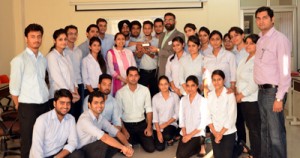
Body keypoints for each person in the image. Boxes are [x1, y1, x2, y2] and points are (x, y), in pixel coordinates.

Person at [254, 6, 291, 158]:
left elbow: (285, 70)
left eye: (264, 18)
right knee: (265, 132)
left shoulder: (280, 40)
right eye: (258, 18)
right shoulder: (260, 40)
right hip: (262, 91)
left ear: (272, 19)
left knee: (276, 134)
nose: (261, 21)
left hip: (273, 92)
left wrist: (279, 97)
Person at [9, 23, 50, 158]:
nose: (36, 39)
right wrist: (18, 106)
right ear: (26, 38)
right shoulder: (19, 60)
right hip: (28, 106)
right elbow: (14, 88)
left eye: (39, 36)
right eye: (32, 36)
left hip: (44, 104)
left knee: (43, 140)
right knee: (28, 141)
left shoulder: (43, 59)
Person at [77, 91, 134, 158]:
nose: (99, 105)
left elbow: (116, 132)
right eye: (96, 103)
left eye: (101, 102)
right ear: (89, 105)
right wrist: (123, 148)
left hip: (94, 146)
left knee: (117, 139)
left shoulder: (100, 117)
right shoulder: (85, 119)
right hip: (82, 149)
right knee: (104, 142)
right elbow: (104, 137)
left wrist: (128, 146)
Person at [30, 89, 82, 158]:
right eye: (62, 103)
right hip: (43, 156)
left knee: (78, 155)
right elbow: (37, 150)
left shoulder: (71, 119)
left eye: (68, 103)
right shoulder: (42, 120)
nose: (65, 106)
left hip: (59, 154)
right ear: (54, 103)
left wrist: (57, 157)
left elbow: (73, 142)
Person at [116, 66, 155, 153]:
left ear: (139, 77)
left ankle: (138, 138)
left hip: (141, 124)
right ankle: (136, 139)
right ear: (127, 77)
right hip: (127, 126)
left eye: (136, 75)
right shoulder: (120, 93)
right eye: (131, 75)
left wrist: (149, 127)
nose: (133, 78)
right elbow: (118, 114)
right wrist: (123, 130)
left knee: (151, 148)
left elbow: (149, 110)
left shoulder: (145, 90)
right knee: (125, 151)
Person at [236, 34, 261, 158]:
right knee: (250, 128)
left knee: (254, 130)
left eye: (252, 43)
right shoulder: (243, 60)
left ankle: (256, 155)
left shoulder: (258, 60)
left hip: (252, 100)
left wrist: (241, 94)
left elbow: (254, 83)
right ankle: (254, 152)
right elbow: (238, 79)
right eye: (247, 43)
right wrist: (237, 93)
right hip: (243, 100)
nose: (248, 45)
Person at [47, 29, 80, 111]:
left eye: (65, 39)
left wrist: (76, 91)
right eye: (60, 39)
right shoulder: (51, 56)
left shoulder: (66, 56)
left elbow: (72, 75)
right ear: (54, 41)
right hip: (58, 95)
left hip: (70, 94)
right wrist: (70, 94)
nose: (64, 42)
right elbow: (57, 78)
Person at [176, 75, 208, 158]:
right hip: (185, 132)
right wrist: (185, 133)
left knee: (182, 155)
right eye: (188, 86)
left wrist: (189, 136)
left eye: (192, 85)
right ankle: (197, 147)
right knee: (179, 155)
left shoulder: (202, 101)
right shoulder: (183, 100)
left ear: (197, 86)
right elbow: (181, 117)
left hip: (197, 133)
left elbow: (203, 122)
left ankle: (201, 145)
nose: (190, 88)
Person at [207, 70, 237, 158]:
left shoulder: (229, 94)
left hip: (228, 131)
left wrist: (220, 134)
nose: (216, 82)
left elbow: (231, 117)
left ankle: (238, 147)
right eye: (214, 80)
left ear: (223, 80)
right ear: (212, 81)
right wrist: (215, 133)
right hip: (214, 131)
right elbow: (207, 116)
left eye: (219, 79)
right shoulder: (210, 95)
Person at [228, 26, 248, 151]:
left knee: (251, 122)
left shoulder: (250, 51)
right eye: (231, 36)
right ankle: (241, 143)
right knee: (238, 119)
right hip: (236, 91)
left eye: (236, 35)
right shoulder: (232, 54)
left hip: (247, 91)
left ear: (242, 35)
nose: (234, 38)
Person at [203, 30, 236, 97]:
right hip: (211, 91)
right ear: (209, 41)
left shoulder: (229, 55)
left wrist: (232, 88)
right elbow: (205, 75)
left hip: (227, 90)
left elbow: (233, 73)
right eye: (212, 39)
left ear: (221, 41)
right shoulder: (206, 58)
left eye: (217, 39)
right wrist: (205, 89)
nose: (215, 42)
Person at [151, 12, 185, 77]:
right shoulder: (162, 35)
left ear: (175, 22)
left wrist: (158, 50)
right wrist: (153, 50)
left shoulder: (179, 35)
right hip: (160, 69)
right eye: (166, 20)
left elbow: (175, 53)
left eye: (170, 20)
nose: (167, 22)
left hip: (171, 70)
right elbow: (160, 51)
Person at [152, 76, 180, 151]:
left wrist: (166, 123)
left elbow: (177, 113)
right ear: (158, 86)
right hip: (158, 126)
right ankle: (164, 137)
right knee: (160, 148)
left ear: (169, 85)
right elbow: (155, 117)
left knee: (167, 136)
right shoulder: (155, 98)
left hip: (170, 123)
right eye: (161, 84)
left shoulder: (174, 96)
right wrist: (158, 131)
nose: (163, 86)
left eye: (165, 84)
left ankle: (172, 137)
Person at [64, 25, 84, 121]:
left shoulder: (79, 51)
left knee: (79, 111)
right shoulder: (63, 51)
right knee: (68, 111)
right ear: (66, 35)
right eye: (70, 34)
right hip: (67, 85)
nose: (73, 36)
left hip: (79, 84)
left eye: (75, 34)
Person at [138, 20, 159, 97]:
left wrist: (147, 52)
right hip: (143, 71)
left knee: (154, 93)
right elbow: (138, 56)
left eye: (149, 28)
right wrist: (141, 51)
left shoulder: (157, 41)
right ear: (143, 30)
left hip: (154, 71)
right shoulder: (139, 41)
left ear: (152, 29)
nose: (147, 30)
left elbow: (156, 56)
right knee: (142, 94)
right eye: (145, 28)